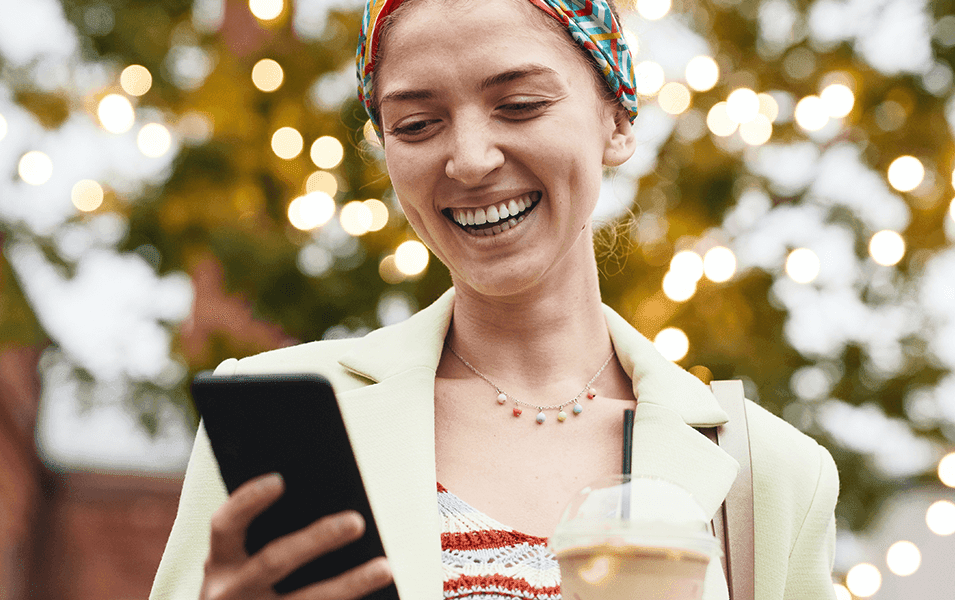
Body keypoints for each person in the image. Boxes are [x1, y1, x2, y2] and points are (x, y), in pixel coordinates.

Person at [150, 0, 840, 598]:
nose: (471, 160)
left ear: (617, 119)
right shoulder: (284, 425)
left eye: (520, 105)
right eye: (416, 124)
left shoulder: (771, 475)